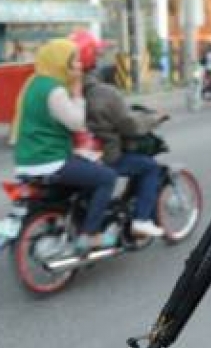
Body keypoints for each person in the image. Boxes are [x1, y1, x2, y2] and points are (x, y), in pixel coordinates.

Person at [10, 39, 119, 252]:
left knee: (86, 167)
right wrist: (77, 92)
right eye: (74, 61)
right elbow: (77, 123)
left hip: (26, 161)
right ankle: (90, 234)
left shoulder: (33, 83)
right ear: (60, 63)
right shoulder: (54, 90)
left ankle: (75, 221)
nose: (79, 65)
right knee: (107, 177)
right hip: (50, 161)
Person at [70, 29, 167, 238]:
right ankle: (141, 220)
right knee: (150, 168)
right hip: (106, 156)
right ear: (93, 58)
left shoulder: (65, 90)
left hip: (75, 155)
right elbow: (129, 125)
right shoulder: (104, 93)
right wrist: (155, 118)